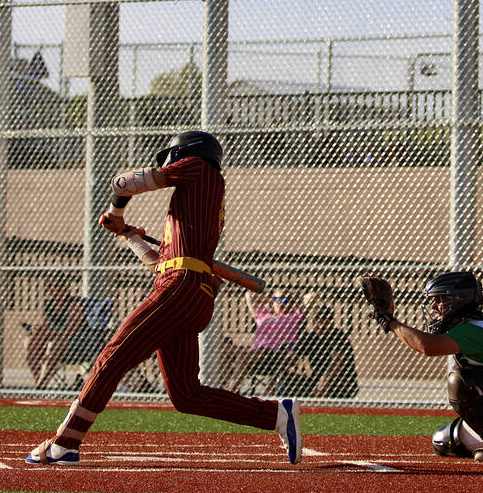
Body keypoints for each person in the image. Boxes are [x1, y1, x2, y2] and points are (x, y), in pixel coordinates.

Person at [25, 131, 302, 466]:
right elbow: (158, 263)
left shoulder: (199, 167)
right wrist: (128, 234)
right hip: (189, 290)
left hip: (180, 286)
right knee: (187, 395)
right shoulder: (191, 206)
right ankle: (276, 415)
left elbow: (123, 182)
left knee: (111, 358)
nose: (171, 163)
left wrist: (116, 211)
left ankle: (66, 443)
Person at [361, 270, 483, 462]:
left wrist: (391, 322)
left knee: (462, 380)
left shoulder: (474, 330)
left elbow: (427, 346)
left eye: (440, 299)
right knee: (443, 441)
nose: (434, 306)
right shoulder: (481, 324)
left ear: (458, 300)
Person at [223, 290, 306, 392]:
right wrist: (271, 300)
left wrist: (293, 300)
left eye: (284, 299)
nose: (279, 302)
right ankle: (225, 384)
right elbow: (249, 295)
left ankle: (230, 391)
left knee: (243, 356)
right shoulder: (264, 314)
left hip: (275, 354)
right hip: (255, 352)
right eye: (277, 299)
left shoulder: (293, 316)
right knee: (223, 349)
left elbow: (311, 298)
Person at [278, 304, 359, 399]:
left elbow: (336, 363)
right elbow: (293, 356)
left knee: (337, 383)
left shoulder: (339, 337)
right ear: (313, 323)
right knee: (287, 378)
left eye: (326, 320)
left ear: (332, 323)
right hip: (316, 380)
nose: (321, 324)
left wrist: (323, 385)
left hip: (340, 380)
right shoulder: (311, 337)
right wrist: (281, 369)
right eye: (318, 320)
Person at [23, 279, 86, 389]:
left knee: (54, 345)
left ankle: (41, 384)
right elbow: (46, 326)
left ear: (65, 288)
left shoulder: (72, 304)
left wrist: (50, 333)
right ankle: (38, 381)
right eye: (51, 286)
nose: (55, 290)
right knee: (31, 341)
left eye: (58, 286)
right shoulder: (49, 305)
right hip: (52, 339)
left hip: (73, 343)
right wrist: (39, 330)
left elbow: (72, 331)